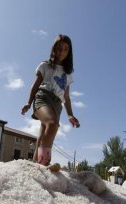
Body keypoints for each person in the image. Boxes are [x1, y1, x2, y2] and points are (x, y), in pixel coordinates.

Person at [22, 34, 80, 167]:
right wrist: (28, 102)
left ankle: (36, 164)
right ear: (54, 49)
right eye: (59, 48)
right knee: (53, 124)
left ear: (69, 52)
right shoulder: (45, 66)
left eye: (66, 49)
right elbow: (35, 85)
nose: (62, 51)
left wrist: (70, 114)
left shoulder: (68, 73)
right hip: (43, 97)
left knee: (44, 132)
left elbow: (66, 97)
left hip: (57, 104)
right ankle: (44, 162)